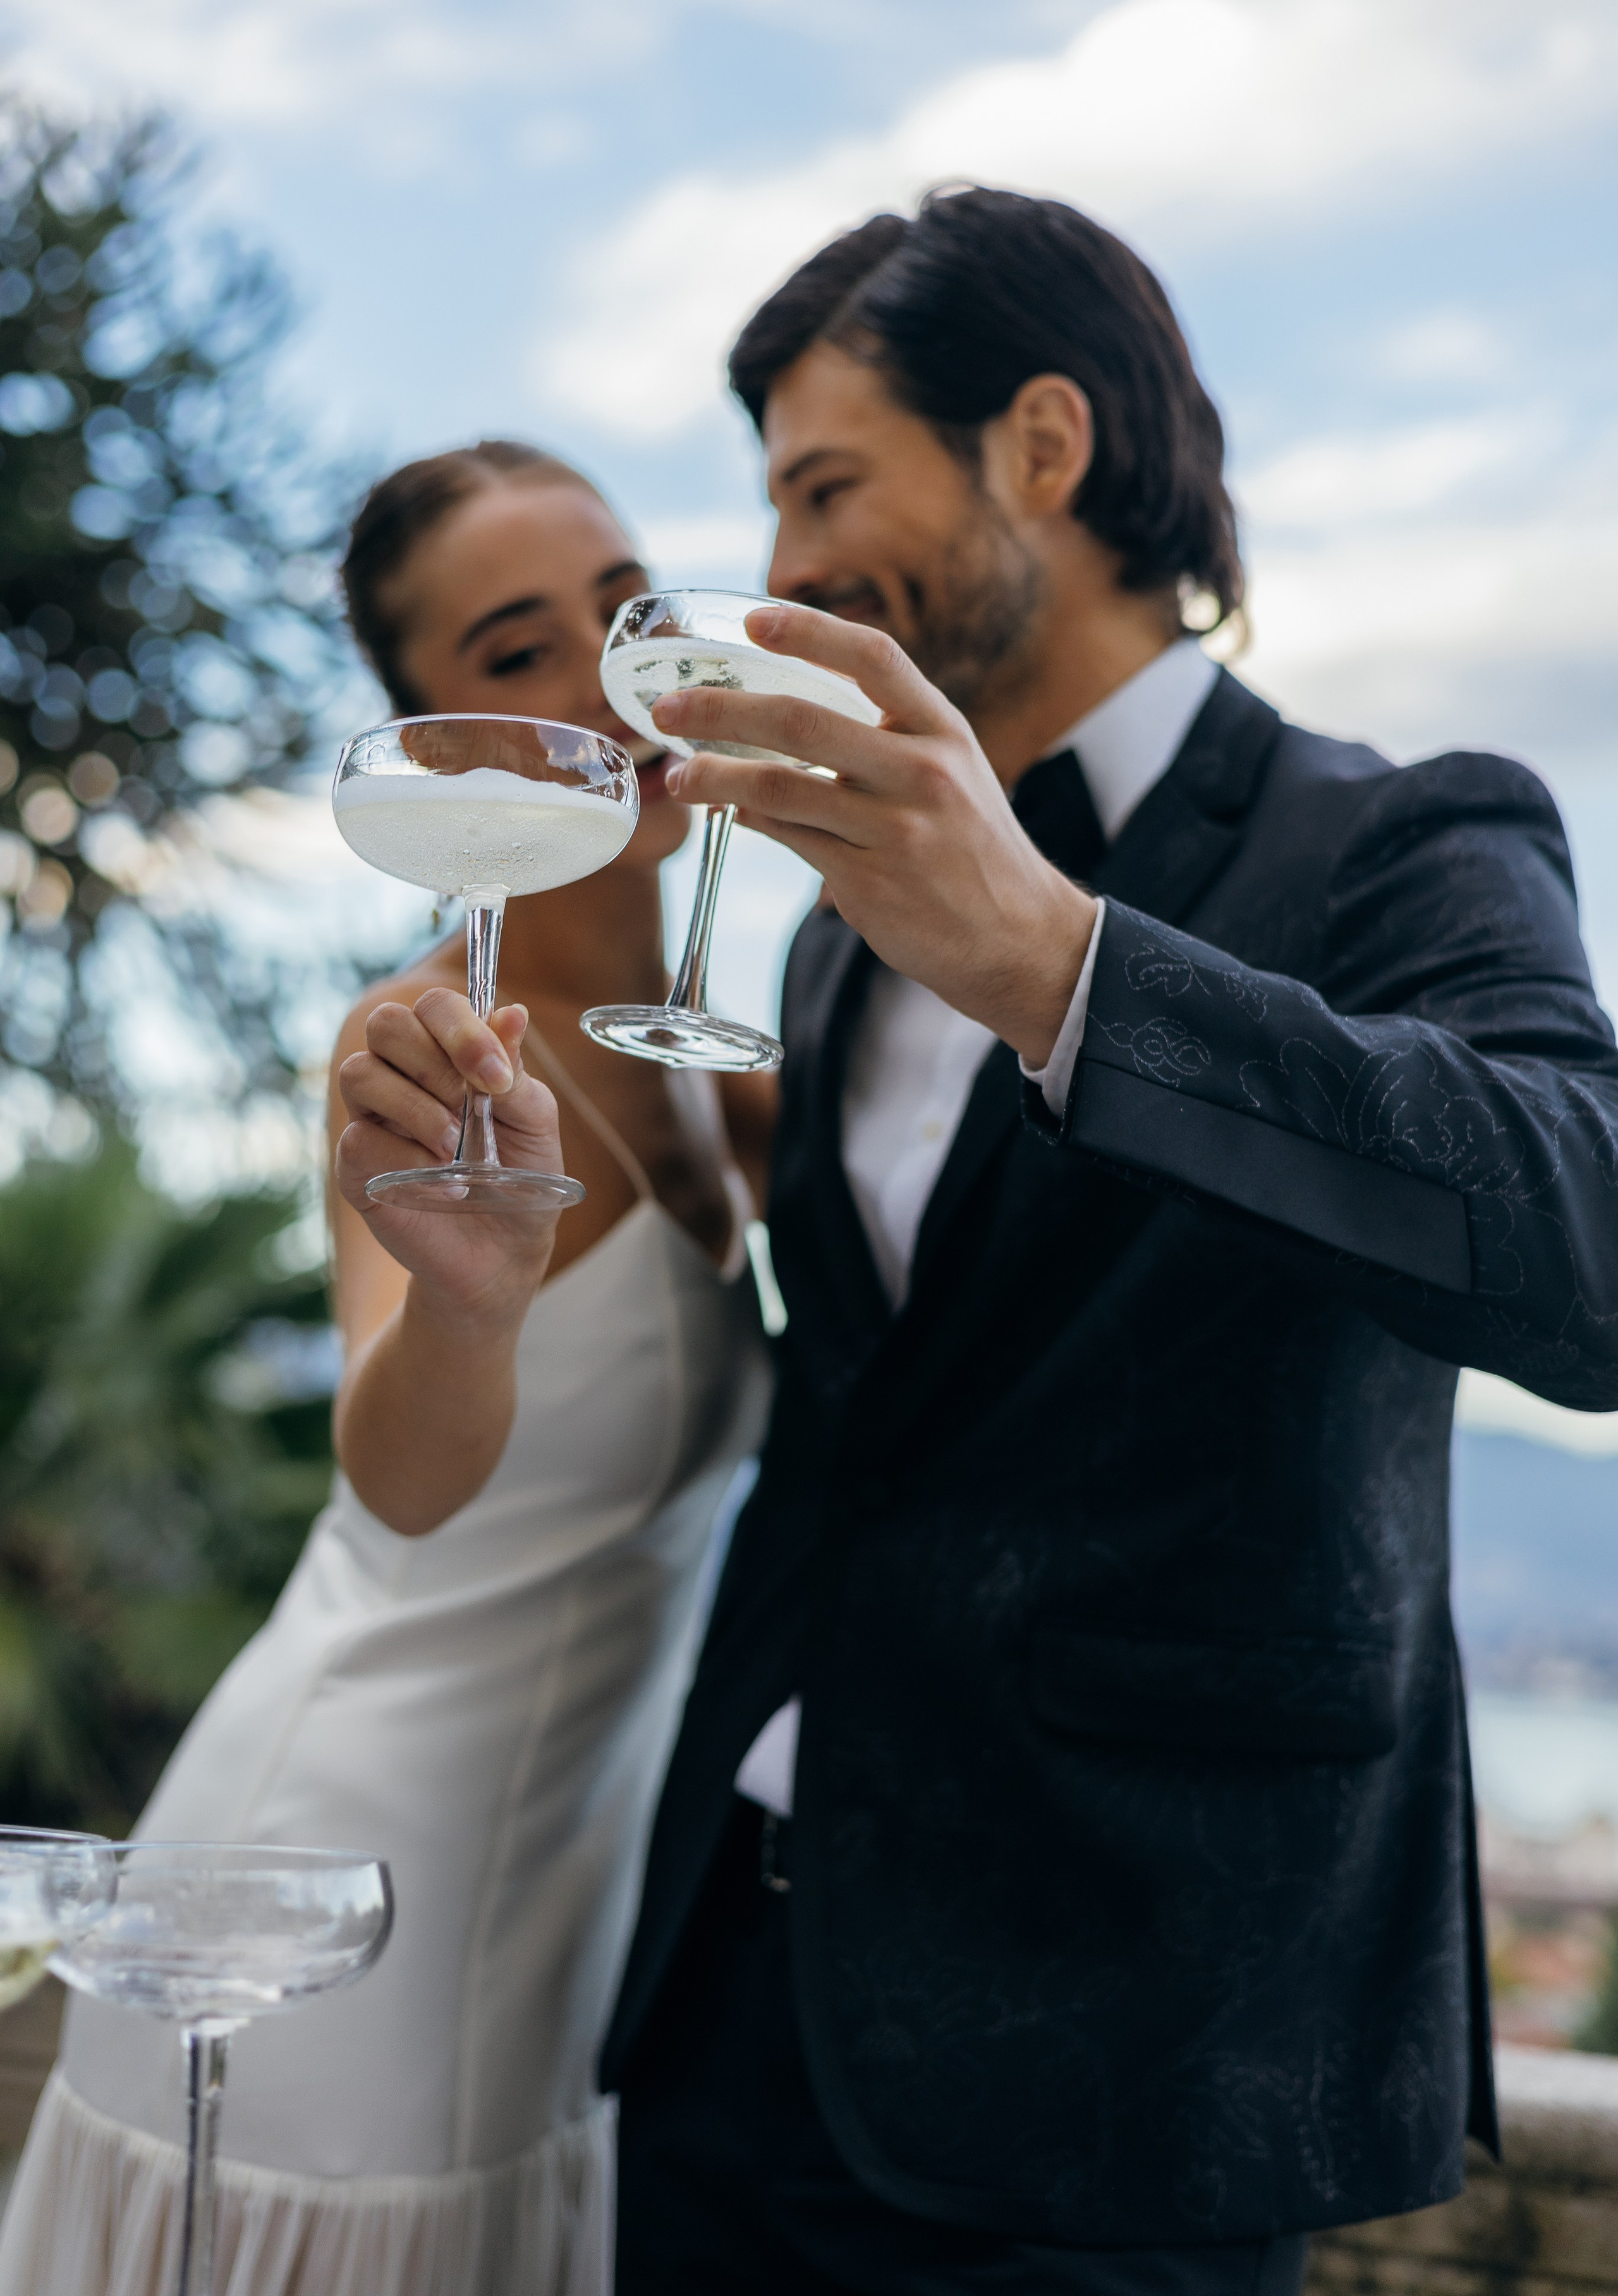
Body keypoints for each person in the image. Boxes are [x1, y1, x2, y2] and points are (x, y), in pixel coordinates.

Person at [601, 188, 1618, 2293]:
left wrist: (1059, 962)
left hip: (1123, 2065)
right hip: (722, 2019)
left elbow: (1587, 1234)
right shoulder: (821, 926)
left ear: (1042, 448)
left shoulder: (1405, 834)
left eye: (825, 483)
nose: (783, 569)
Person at [0, 441, 773, 2296]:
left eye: (624, 609)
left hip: (559, 1930)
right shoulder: (428, 1040)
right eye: (520, 654)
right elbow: (400, 1476)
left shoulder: (717, 1067)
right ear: (431, 747)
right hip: (344, 1899)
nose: (609, 680)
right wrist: (471, 1301)